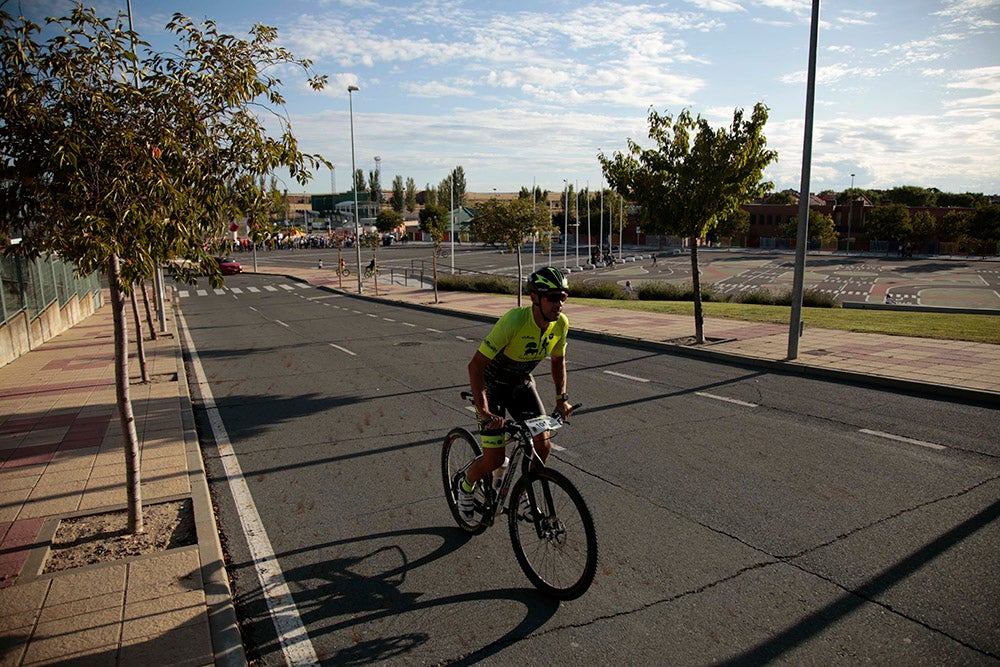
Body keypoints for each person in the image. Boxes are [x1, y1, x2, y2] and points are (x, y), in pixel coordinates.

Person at [457, 266, 574, 521]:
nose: (559, 304)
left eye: (563, 297)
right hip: (493, 385)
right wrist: (484, 411)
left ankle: (524, 496)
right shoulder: (514, 321)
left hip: (521, 384)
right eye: (552, 297)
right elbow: (475, 367)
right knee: (494, 457)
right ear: (535, 298)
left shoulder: (560, 324)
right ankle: (465, 486)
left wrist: (561, 399)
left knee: (543, 446)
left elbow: (558, 361)